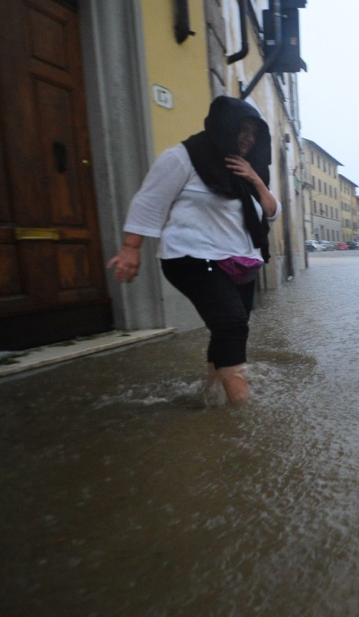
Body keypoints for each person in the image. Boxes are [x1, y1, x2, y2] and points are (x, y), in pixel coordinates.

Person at [107, 96, 279, 404]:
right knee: (231, 323)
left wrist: (255, 179)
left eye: (254, 132)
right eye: (242, 128)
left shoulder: (251, 171)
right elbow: (149, 201)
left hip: (240, 262)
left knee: (226, 327)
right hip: (191, 257)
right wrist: (131, 248)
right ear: (223, 126)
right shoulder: (184, 157)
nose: (248, 137)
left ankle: (212, 392)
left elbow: (271, 213)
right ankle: (244, 409)